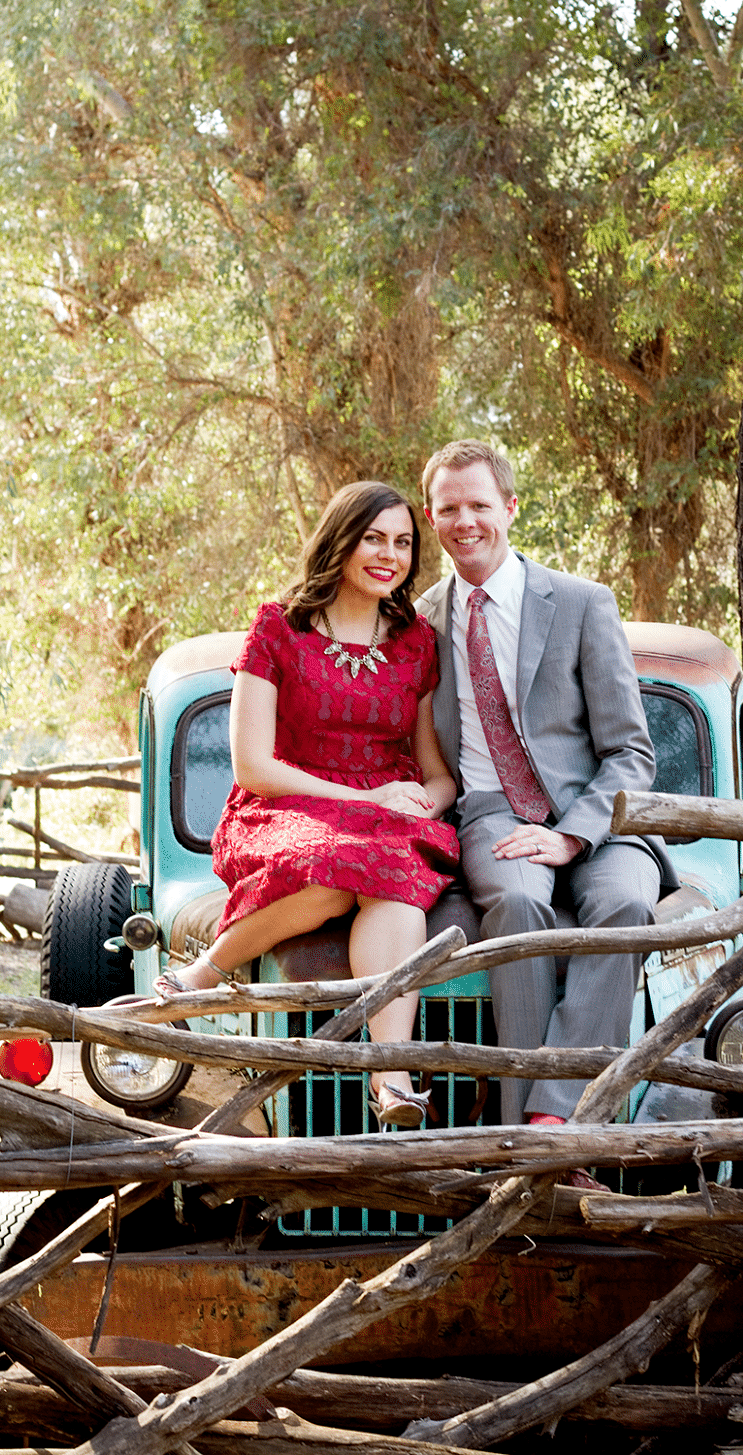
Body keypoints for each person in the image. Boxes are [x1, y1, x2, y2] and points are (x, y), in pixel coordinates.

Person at [154, 481, 460, 1129]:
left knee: (393, 875)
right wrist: (366, 796)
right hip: (285, 807)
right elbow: (254, 767)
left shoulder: (415, 642)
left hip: (385, 820)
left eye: (403, 542)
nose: (389, 555)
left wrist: (423, 807)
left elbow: (436, 773)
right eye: (374, 538)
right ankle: (208, 971)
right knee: (333, 872)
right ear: (340, 540)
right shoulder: (278, 628)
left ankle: (391, 1079)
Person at [418, 439, 677, 1129]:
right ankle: (522, 1132)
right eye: (449, 508)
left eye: (478, 504)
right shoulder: (418, 622)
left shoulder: (581, 603)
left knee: (624, 909)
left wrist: (569, 836)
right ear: (430, 516)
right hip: (490, 812)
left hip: (598, 812)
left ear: (508, 507)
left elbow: (630, 751)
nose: (465, 520)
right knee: (515, 907)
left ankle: (550, 1120)